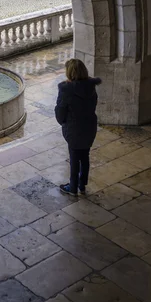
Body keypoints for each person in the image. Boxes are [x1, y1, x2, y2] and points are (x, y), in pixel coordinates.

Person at [55, 58, 101, 197]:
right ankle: (82, 185)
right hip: (89, 127)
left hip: (74, 129)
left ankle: (73, 187)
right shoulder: (91, 87)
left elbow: (60, 112)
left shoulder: (66, 91)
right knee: (85, 156)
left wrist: (63, 122)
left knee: (74, 158)